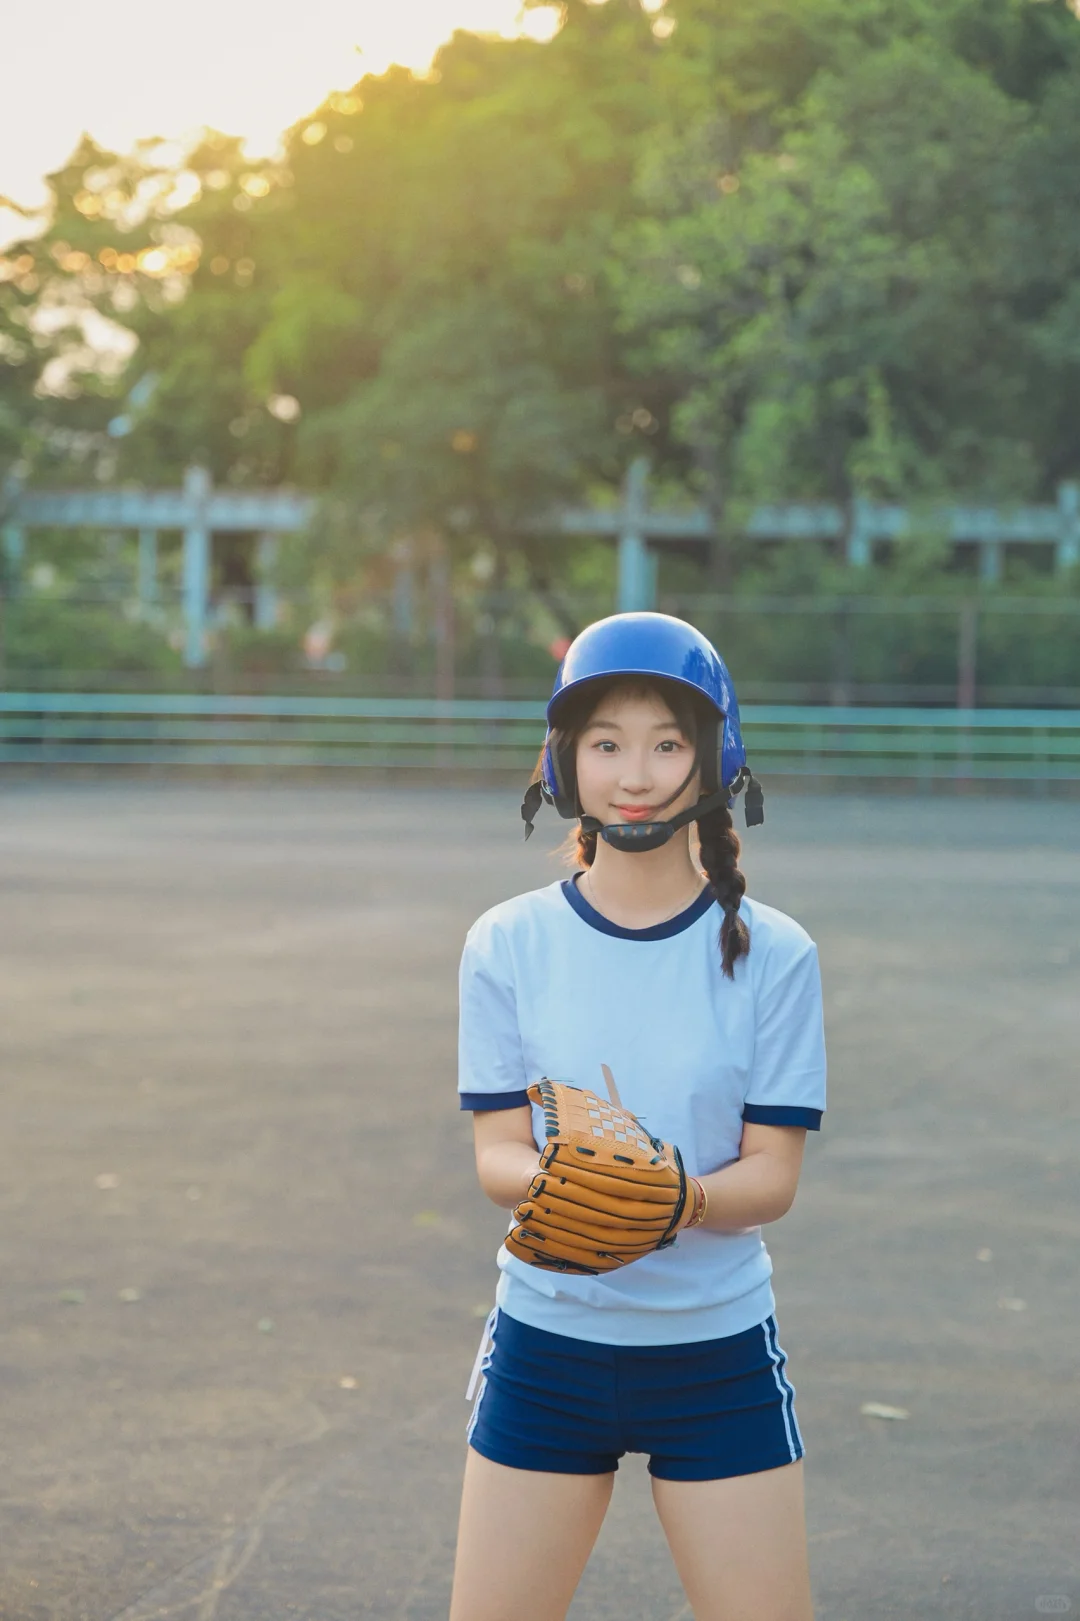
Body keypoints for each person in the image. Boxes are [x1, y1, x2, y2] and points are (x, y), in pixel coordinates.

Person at [450, 612, 827, 1621]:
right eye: (606, 741)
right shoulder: (507, 942)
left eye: (668, 742)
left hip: (717, 1354)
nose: (637, 771)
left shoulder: (776, 951)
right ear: (564, 759)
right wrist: (576, 1183)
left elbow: (773, 1178)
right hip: (548, 1347)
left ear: (715, 757)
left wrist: (673, 1195)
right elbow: (496, 1153)